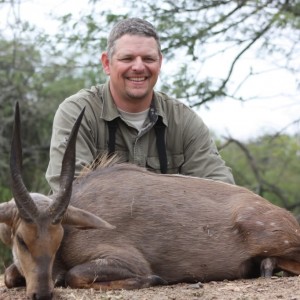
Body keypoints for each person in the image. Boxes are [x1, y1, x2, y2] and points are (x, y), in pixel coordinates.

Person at [46, 17, 235, 194]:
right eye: (127, 58)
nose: (138, 67)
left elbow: (222, 191)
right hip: (97, 229)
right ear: (106, 63)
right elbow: (71, 192)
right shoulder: (77, 112)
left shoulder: (183, 120)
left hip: (171, 229)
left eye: (148, 59)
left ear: (159, 63)